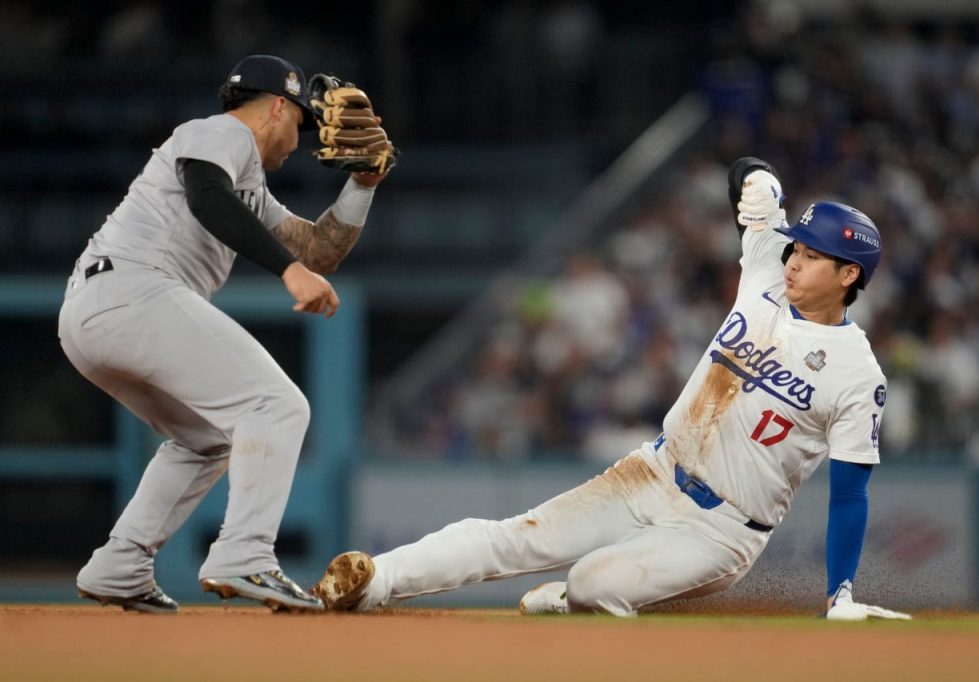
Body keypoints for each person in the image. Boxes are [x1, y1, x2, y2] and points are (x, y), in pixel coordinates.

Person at [312, 158, 911, 621]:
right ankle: (373, 581)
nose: (793, 262)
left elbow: (850, 494)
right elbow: (745, 173)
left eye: (812, 257)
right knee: (516, 537)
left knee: (593, 584)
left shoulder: (857, 373)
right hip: (652, 471)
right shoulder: (765, 271)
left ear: (849, 273)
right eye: (797, 249)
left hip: (721, 531)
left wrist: (840, 593)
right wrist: (758, 181)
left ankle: (572, 604)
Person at [60, 54, 389, 613]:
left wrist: (362, 184)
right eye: (301, 124)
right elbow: (206, 196)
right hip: (134, 292)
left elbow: (317, 251)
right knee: (278, 405)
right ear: (278, 108)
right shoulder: (221, 133)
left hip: (99, 314)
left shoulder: (249, 184)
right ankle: (245, 554)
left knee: (207, 439)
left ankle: (121, 563)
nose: (300, 138)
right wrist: (288, 272)